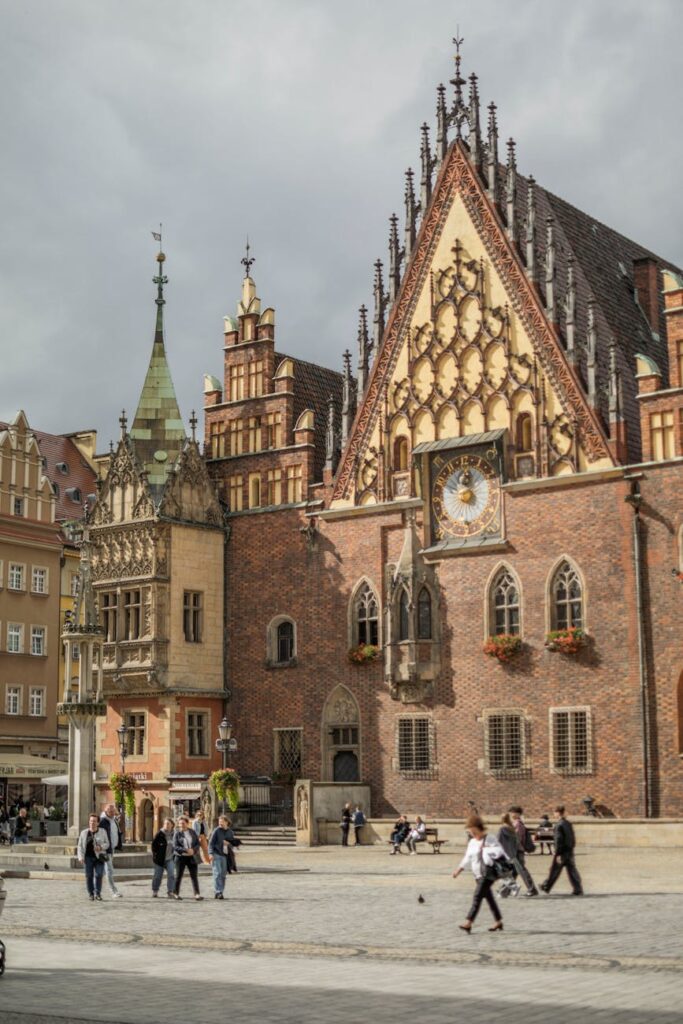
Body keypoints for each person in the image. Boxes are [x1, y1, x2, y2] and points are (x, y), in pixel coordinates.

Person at [452, 814, 506, 932]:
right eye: (470, 832)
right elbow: (467, 858)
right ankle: (498, 922)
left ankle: (469, 922)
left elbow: (500, 852)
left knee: (477, 897)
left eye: (473, 831)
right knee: (489, 898)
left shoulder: (490, 838)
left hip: (488, 874)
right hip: (477, 874)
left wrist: (487, 849)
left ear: (479, 828)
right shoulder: (472, 842)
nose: (472, 834)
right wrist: (458, 870)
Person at [541, 806, 584, 896]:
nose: (554, 814)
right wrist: (571, 847)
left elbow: (558, 839)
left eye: (554, 812)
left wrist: (558, 853)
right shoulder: (568, 823)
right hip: (569, 850)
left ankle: (546, 886)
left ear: (557, 813)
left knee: (554, 870)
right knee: (572, 870)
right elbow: (572, 838)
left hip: (562, 851)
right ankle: (578, 888)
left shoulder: (559, 825)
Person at [77, 813, 110, 901]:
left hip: (99, 857)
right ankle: (91, 894)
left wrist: (100, 847)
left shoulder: (103, 831)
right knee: (89, 876)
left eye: (94, 821)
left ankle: (98, 893)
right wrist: (80, 857)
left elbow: (107, 844)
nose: (92, 823)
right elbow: (80, 846)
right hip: (87, 857)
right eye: (91, 821)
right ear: (89, 822)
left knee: (99, 874)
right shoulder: (84, 833)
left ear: (98, 823)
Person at [508, 806, 539, 897]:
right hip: (516, 851)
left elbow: (517, 839)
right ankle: (506, 890)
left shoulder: (517, 824)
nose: (511, 814)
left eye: (512, 812)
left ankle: (532, 889)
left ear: (518, 814)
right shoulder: (515, 823)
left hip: (517, 851)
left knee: (522, 871)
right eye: (510, 812)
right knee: (514, 872)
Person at [173, 816, 203, 900]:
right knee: (179, 876)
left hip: (192, 857)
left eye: (183, 823)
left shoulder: (192, 832)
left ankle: (197, 894)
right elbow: (175, 846)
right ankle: (175, 893)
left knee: (194, 876)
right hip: (180, 857)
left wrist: (193, 850)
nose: (181, 825)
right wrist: (185, 850)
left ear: (187, 823)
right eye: (180, 823)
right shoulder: (177, 833)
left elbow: (197, 843)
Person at [208, 814, 237, 899]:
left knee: (223, 874)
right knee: (217, 873)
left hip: (225, 855)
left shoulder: (230, 832)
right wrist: (210, 853)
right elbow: (211, 843)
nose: (220, 823)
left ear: (227, 822)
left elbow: (232, 844)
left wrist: (229, 844)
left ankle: (220, 890)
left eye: (222, 822)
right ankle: (218, 892)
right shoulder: (216, 830)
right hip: (216, 854)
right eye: (219, 822)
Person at [99, 803, 123, 899]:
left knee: (106, 870)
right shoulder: (102, 821)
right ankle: (114, 891)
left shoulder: (113, 820)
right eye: (110, 811)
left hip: (112, 848)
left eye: (113, 811)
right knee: (109, 870)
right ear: (106, 811)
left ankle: (97, 888)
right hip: (105, 849)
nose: (113, 812)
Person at [151, 818, 176, 898]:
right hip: (160, 859)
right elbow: (153, 846)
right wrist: (155, 856)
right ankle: (155, 891)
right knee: (157, 876)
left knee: (171, 875)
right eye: (165, 824)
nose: (166, 825)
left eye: (168, 824)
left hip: (170, 858)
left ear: (172, 825)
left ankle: (170, 891)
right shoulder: (159, 834)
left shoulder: (175, 834)